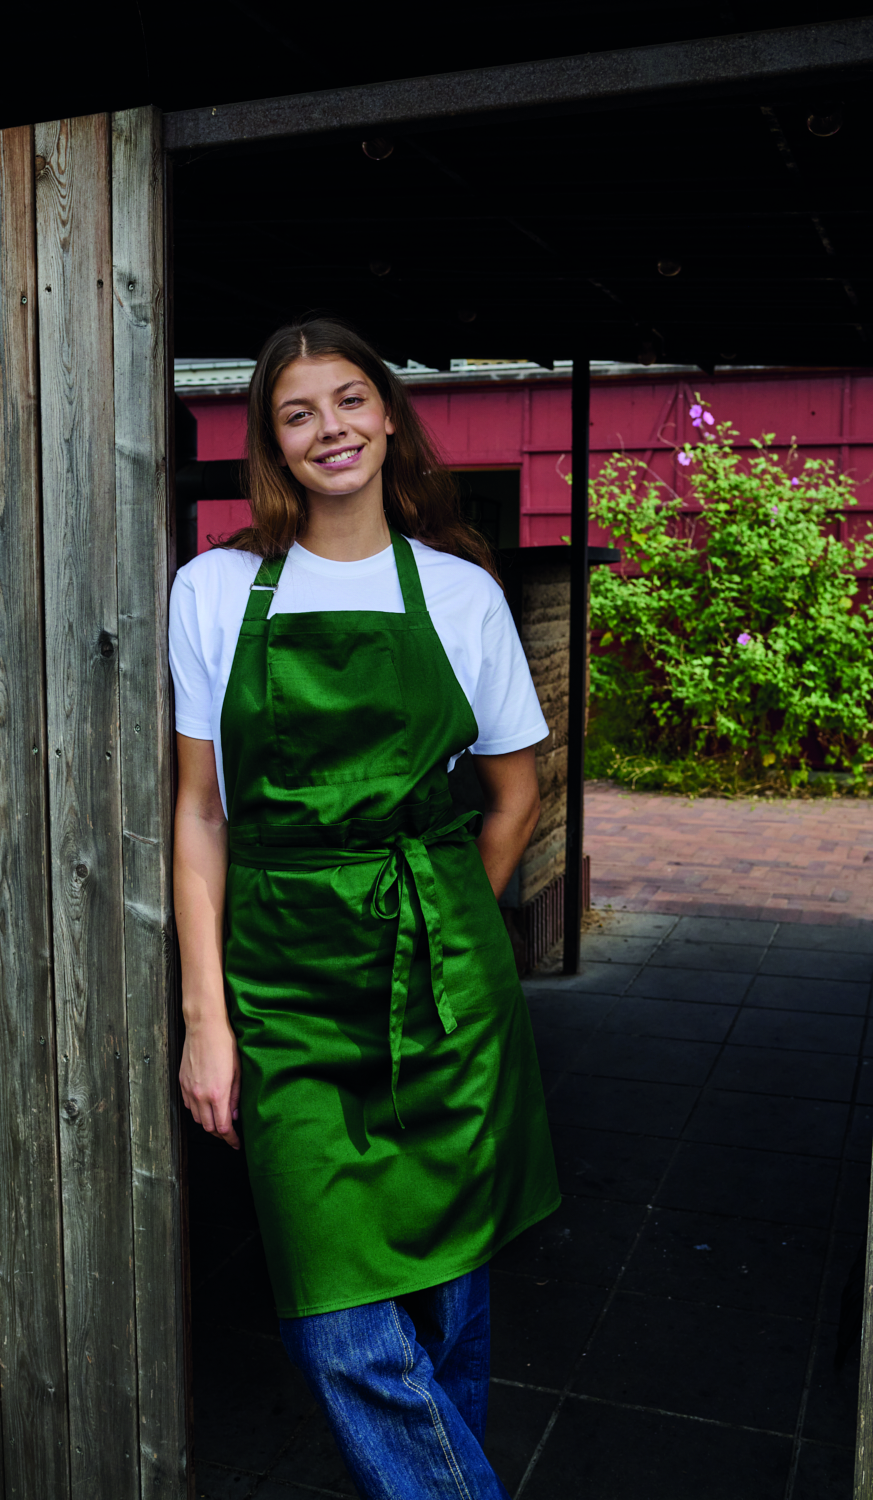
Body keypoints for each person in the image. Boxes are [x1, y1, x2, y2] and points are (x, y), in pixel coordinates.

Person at [169, 317, 560, 1499]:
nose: (328, 428)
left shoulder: (459, 590)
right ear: (273, 445)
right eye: (299, 412)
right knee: (339, 1326)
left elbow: (515, 792)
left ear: (389, 417)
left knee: (449, 1289)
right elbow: (201, 816)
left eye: (348, 401)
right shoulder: (214, 589)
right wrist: (207, 1020)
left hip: (439, 972)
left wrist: (446, 919)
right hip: (283, 986)